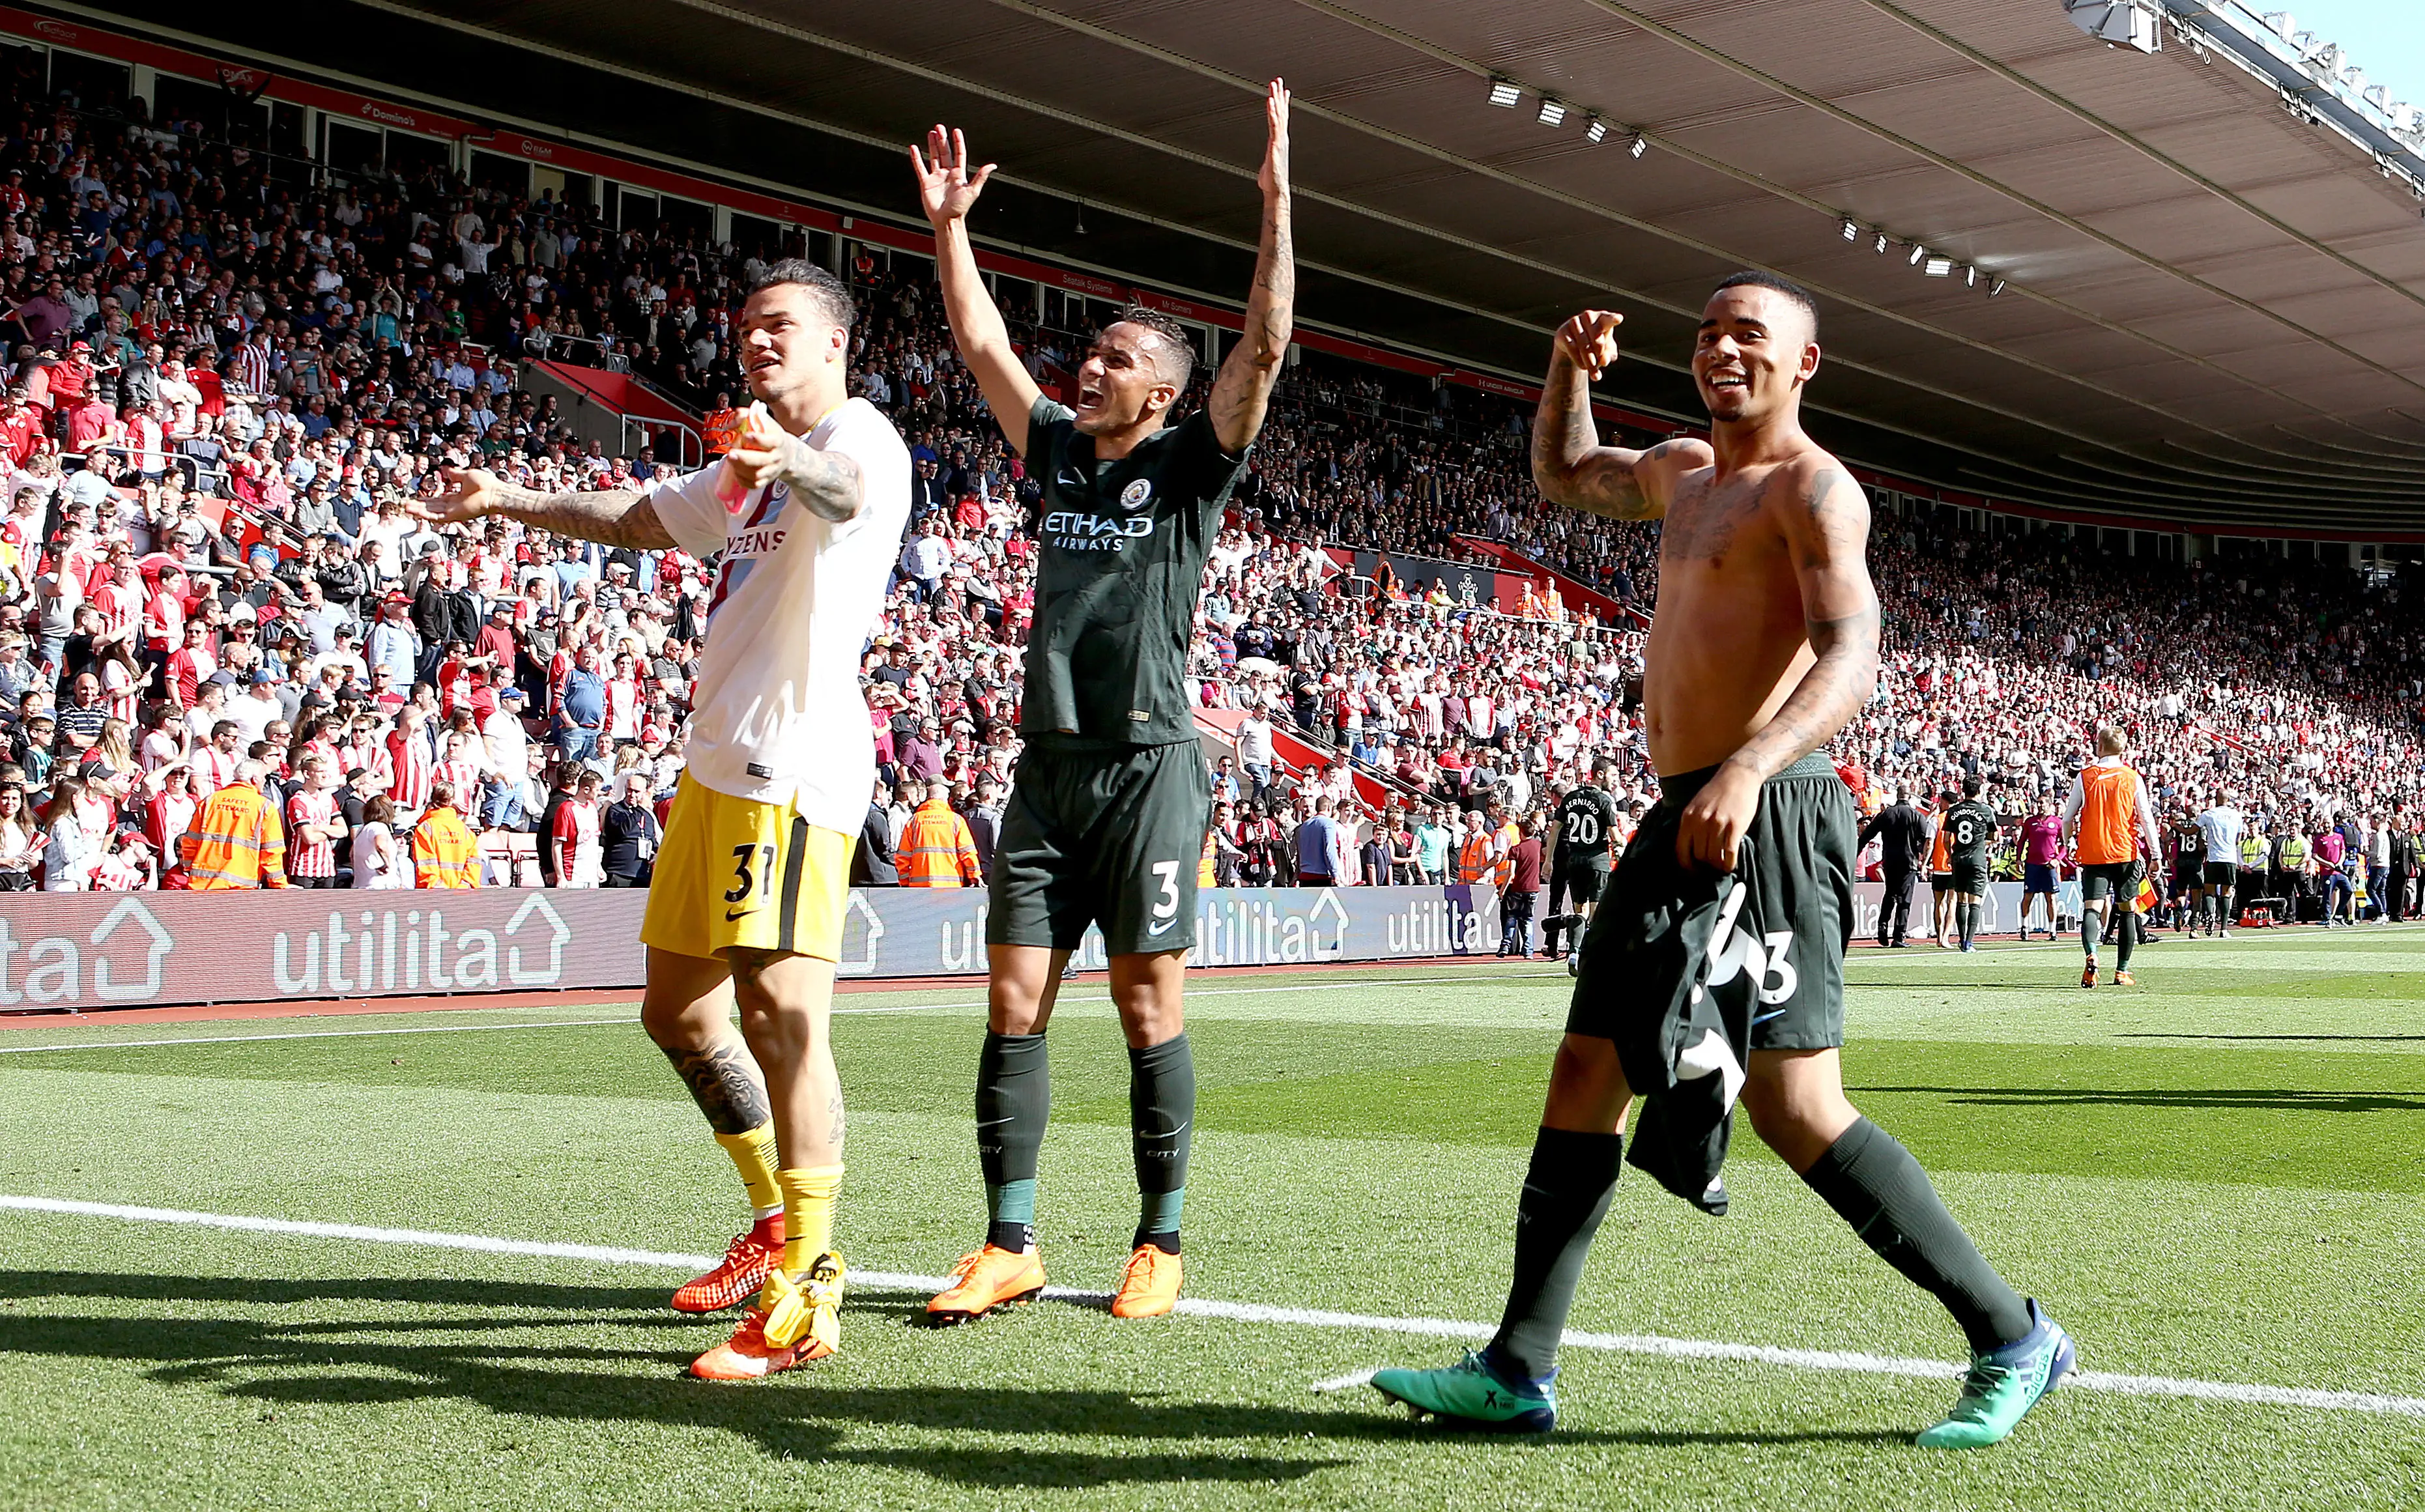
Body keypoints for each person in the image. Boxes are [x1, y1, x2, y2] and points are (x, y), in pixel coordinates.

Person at [1370, 276, 2069, 1449]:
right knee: (1582, 1071)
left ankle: (2014, 1335)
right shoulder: (1684, 471)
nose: (1719, 349)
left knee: (1800, 1108)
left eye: (1750, 334)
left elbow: (1852, 657)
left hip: (1774, 809)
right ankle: (1516, 1367)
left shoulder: (1814, 488)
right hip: (1678, 810)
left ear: (1804, 363)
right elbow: (1561, 474)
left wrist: (1749, 768)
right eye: (1705, 332)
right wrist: (1565, 372)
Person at [415, 258, 907, 1381]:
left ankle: (809, 1291)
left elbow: (843, 498)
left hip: (792, 763)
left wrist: (792, 458)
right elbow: (641, 516)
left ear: (834, 342)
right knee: (678, 1011)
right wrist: (508, 499)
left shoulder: (858, 438)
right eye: (745, 329)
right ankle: (772, 1222)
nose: (756, 342)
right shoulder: (742, 470)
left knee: (783, 1009)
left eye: (779, 326)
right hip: (717, 767)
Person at [915, 81, 1292, 1325]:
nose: (1090, 365)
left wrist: (1274, 199)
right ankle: (1008, 1240)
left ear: (1166, 394)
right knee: (1012, 1000)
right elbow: (980, 344)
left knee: (1145, 1003)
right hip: (1047, 768)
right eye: (1090, 351)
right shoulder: (1060, 452)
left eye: (1117, 359)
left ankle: (1159, 1241)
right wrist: (949, 228)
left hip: (1148, 769)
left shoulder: (1190, 470)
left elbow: (1267, 345)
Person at [2061, 725, 2161, 988]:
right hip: (2124, 851)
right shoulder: (2132, 777)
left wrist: (2069, 841)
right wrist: (2156, 853)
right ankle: (2122, 971)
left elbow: (2068, 817)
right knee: (2128, 909)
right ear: (2123, 749)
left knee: (2092, 908)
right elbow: (2146, 818)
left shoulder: (2085, 777)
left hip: (2094, 852)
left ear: (2100, 746)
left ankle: (2092, 954)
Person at [1543, 761, 1618, 972]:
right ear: (1600, 775)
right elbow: (1615, 836)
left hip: (1574, 861)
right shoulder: (1604, 801)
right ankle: (1592, 957)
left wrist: (1549, 860)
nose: (1614, 779)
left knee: (1579, 911)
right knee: (1595, 912)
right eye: (1612, 774)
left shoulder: (1570, 798)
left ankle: (1574, 952)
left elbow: (1555, 830)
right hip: (1597, 860)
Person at [179, 759, 289, 891]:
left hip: (203, 885)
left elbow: (190, 842)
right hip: (242, 887)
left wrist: (191, 869)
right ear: (255, 780)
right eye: (264, 778)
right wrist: (279, 884)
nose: (265, 782)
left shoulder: (210, 801)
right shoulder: (264, 807)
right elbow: (272, 852)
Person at [1857, 788, 1928, 947]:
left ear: (1898, 796)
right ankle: (1899, 936)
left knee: (1890, 894)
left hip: (1890, 860)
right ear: (1910, 796)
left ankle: (1882, 926)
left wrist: (1856, 851)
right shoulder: (1916, 816)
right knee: (1905, 899)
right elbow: (1925, 840)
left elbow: (1867, 834)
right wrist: (1921, 855)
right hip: (1909, 861)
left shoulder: (1887, 814)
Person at [1940, 777, 1998, 954]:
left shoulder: (1953, 810)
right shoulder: (1986, 810)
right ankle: (1969, 943)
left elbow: (1946, 839)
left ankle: (1962, 939)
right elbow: (1994, 837)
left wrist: (1951, 855)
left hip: (1958, 859)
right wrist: (1982, 842)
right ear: (1979, 791)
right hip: (1977, 859)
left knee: (1961, 899)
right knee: (1975, 901)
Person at [895, 779, 982, 887]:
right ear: (944, 799)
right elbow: (968, 852)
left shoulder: (914, 821)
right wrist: (974, 876)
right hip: (951, 885)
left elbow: (903, 856)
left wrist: (904, 882)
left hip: (919, 887)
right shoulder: (956, 820)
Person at [409, 780, 481, 889]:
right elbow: (473, 864)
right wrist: (463, 888)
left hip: (435, 897)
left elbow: (426, 866)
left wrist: (441, 890)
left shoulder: (425, 829)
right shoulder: (465, 830)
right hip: (462, 896)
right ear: (451, 801)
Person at [2194, 791, 2245, 938]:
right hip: (2229, 858)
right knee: (2227, 893)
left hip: (2213, 858)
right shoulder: (2236, 815)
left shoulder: (2208, 814)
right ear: (2228, 799)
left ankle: (2210, 915)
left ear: (2216, 799)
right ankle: (2223, 928)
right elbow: (2238, 839)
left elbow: (2195, 829)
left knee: (2209, 890)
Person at [2016, 796, 2065, 941]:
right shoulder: (2030, 822)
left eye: (2042, 803)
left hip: (2049, 865)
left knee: (2051, 898)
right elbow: (2021, 842)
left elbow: (2065, 844)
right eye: (2038, 803)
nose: (2039, 805)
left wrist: (2057, 859)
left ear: (2049, 805)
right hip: (2032, 864)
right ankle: (2025, 927)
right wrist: (2018, 859)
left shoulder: (2057, 822)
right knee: (2028, 896)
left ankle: (2052, 930)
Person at [351, 795, 403, 889]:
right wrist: (388, 864)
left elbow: (352, 855)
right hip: (380, 885)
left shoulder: (361, 830)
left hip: (361, 884)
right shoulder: (379, 827)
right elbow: (381, 845)